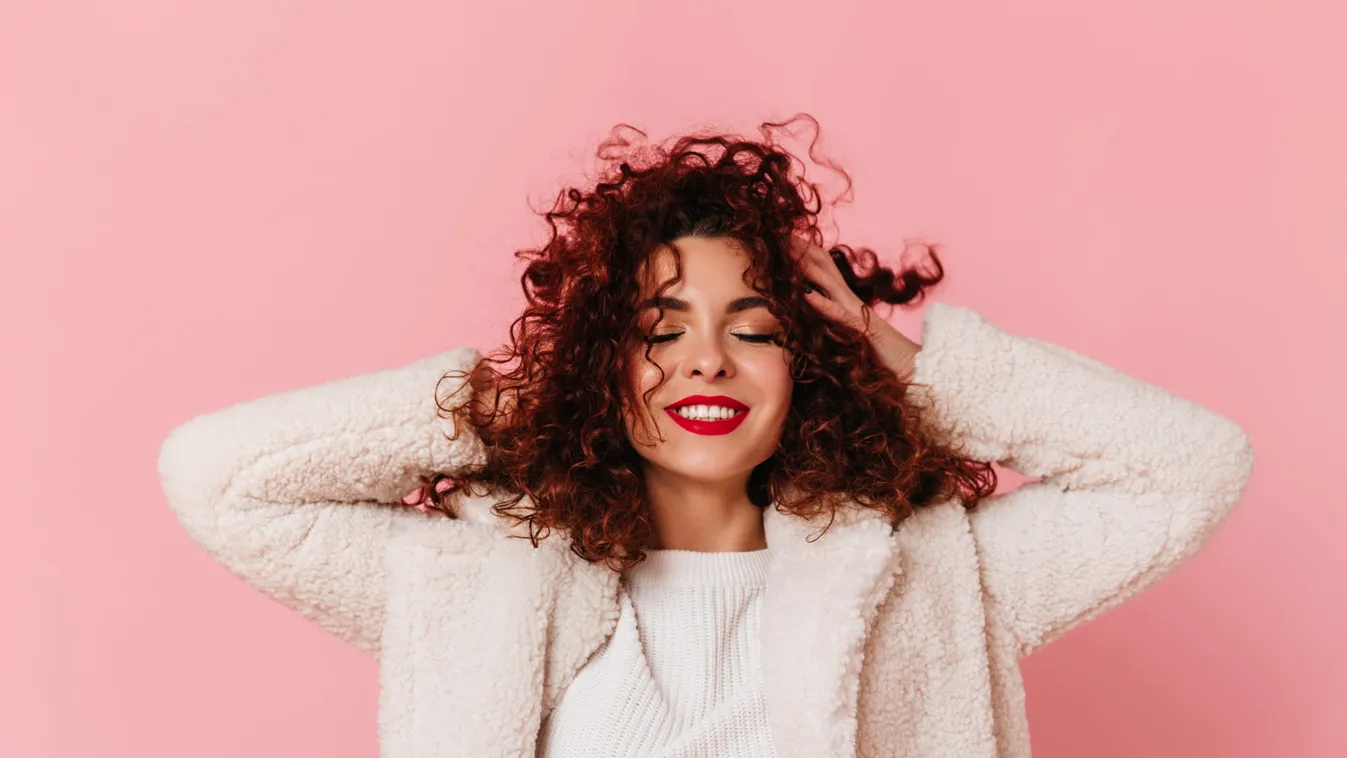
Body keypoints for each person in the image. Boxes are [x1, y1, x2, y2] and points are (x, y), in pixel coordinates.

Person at [156, 116, 1255, 758]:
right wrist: (520, 399)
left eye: (758, 327)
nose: (706, 361)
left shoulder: (929, 577)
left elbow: (1191, 471)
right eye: (658, 329)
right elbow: (220, 480)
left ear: (809, 367)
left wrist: (902, 357)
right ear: (604, 362)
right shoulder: (481, 579)